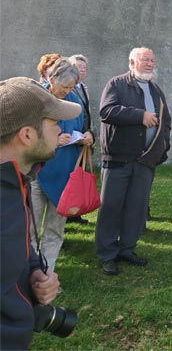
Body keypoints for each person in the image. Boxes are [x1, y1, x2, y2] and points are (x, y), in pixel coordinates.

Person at [1, 76, 81, 350]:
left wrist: (33, 273)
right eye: (54, 123)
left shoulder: (15, 180)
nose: (60, 130)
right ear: (26, 135)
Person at [96, 47, 171, 275]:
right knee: (111, 206)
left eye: (152, 60)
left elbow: (166, 121)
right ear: (132, 62)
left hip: (144, 161)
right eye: (145, 59)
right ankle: (107, 254)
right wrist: (140, 116)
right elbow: (106, 111)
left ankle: (127, 249)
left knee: (136, 208)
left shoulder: (156, 90)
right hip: (118, 157)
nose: (150, 63)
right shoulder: (116, 84)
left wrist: (161, 148)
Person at [30, 58, 93, 273]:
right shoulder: (37, 100)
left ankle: (46, 274)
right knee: (29, 230)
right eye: (64, 86)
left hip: (67, 178)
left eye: (71, 86)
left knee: (55, 231)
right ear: (51, 78)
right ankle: (26, 275)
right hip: (37, 174)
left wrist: (88, 135)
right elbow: (24, 137)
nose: (68, 91)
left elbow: (85, 126)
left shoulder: (75, 101)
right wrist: (53, 142)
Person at [68, 53, 94, 225]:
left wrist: (90, 132)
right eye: (78, 67)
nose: (82, 71)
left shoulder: (83, 87)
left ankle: (75, 212)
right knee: (69, 178)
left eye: (84, 68)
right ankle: (67, 213)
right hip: (70, 139)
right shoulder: (68, 88)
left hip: (83, 138)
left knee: (79, 175)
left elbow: (87, 114)